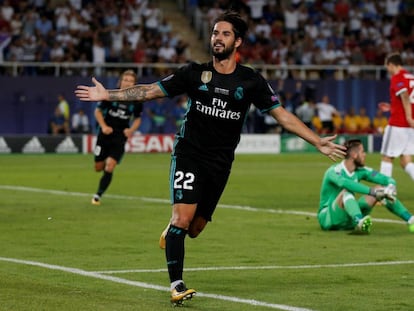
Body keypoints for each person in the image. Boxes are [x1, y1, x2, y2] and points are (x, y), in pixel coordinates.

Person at [75, 11, 346, 305]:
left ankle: (175, 227)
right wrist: (108, 95)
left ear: (238, 41)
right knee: (182, 219)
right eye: (215, 33)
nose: (218, 38)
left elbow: (282, 116)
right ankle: (177, 285)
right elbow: (149, 91)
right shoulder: (193, 73)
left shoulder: (251, 80)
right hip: (189, 154)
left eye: (225, 34)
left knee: (195, 228)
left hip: (220, 163)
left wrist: (317, 141)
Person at [318, 139, 414, 233]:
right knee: (346, 192)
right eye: (362, 152)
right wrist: (372, 191)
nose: (365, 154)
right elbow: (345, 183)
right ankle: (359, 221)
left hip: (348, 220)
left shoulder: (361, 171)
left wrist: (390, 187)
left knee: (381, 190)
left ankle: (411, 220)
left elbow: (386, 179)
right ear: (354, 155)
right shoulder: (334, 171)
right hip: (329, 219)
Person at [90, 70, 143, 206]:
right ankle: (103, 167)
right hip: (105, 134)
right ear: (120, 81)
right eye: (125, 80)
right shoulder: (110, 95)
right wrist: (103, 126)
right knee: (98, 167)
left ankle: (97, 196)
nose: (127, 83)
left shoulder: (137, 101)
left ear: (134, 84)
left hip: (120, 136)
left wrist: (131, 130)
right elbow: (98, 111)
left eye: (130, 81)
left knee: (110, 165)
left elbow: (137, 119)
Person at [379, 53, 414, 181]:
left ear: (392, 65)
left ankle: (385, 191)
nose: (387, 69)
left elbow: (404, 95)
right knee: (406, 161)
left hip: (398, 124)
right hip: (410, 127)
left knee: (387, 157)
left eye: (387, 66)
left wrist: (409, 117)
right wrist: (392, 107)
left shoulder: (397, 77)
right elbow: (410, 99)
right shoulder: (411, 77)